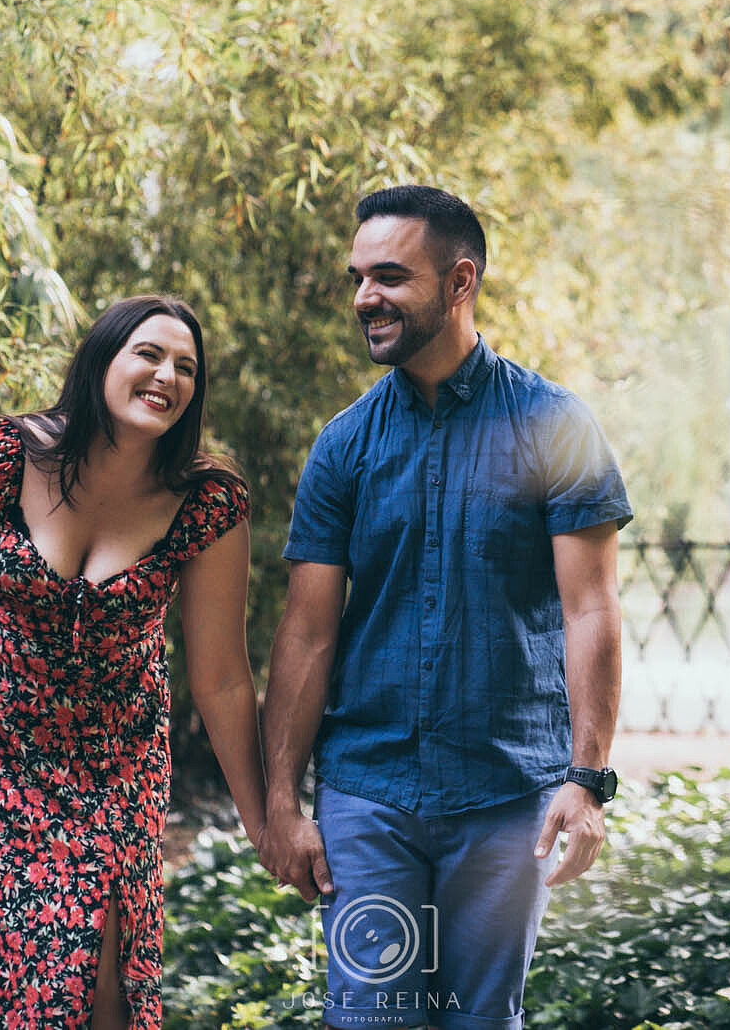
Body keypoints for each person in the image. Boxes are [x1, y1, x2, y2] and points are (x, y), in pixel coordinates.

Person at [260, 186, 631, 1030]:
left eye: (389, 276)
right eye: (357, 277)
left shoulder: (556, 425)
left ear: (460, 281)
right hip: (369, 796)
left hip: (507, 797)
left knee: (478, 1020)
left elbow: (592, 613)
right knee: (370, 1018)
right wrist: (283, 800)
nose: (364, 298)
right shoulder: (344, 444)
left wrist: (588, 778)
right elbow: (308, 632)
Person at [0, 295, 266, 1030]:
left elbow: (222, 678)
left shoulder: (207, 502)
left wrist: (265, 818)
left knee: (103, 989)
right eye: (148, 353)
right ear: (102, 359)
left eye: (186, 367)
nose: (167, 375)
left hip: (111, 774)